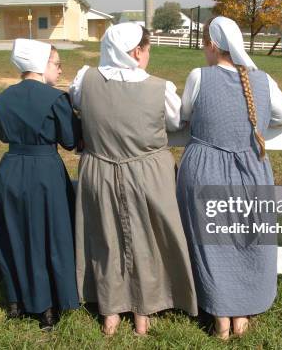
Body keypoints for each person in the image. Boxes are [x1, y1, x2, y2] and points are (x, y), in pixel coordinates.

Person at [69, 23, 198, 336]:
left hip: (99, 172)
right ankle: (143, 311)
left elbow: (78, 106)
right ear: (138, 51)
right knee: (147, 241)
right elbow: (174, 119)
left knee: (105, 240)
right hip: (146, 175)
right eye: (148, 48)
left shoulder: (85, 80)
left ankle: (110, 311)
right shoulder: (159, 88)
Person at [176, 17, 282, 340]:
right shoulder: (262, 79)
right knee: (246, 239)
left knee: (209, 242)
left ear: (212, 46)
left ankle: (220, 318)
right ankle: (241, 315)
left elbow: (183, 116)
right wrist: (255, 131)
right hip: (250, 167)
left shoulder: (198, 76)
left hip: (204, 166)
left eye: (204, 44)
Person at [0, 39, 80, 329]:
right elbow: (70, 141)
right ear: (41, 65)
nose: (59, 69)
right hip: (45, 172)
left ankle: (16, 301)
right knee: (51, 235)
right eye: (57, 64)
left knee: (15, 234)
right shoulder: (56, 98)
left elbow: (4, 134)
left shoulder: (4, 98)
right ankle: (48, 307)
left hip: (12, 169)